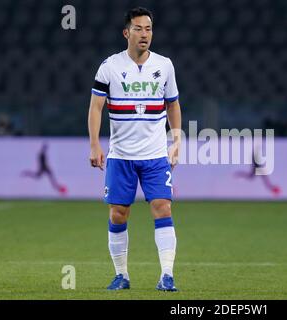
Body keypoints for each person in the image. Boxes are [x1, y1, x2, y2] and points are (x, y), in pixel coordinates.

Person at [88, 7, 182, 292]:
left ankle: (167, 275)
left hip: (154, 155)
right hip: (121, 156)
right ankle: (121, 275)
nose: (145, 34)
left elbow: (173, 104)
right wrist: (94, 144)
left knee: (162, 207)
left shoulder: (164, 65)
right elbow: (96, 106)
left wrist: (176, 140)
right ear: (126, 32)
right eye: (139, 29)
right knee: (118, 213)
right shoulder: (110, 66)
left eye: (149, 28)